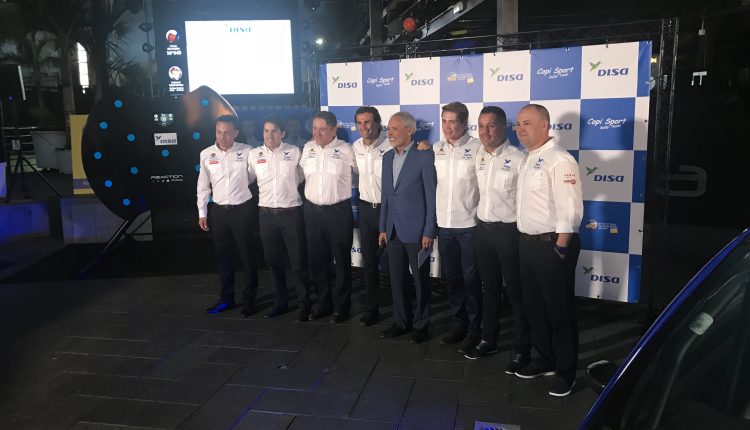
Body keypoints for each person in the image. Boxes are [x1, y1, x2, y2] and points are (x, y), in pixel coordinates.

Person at [513, 104, 583, 397]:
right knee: (534, 308)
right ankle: (545, 360)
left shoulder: (560, 159)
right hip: (527, 245)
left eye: (527, 123)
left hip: (553, 245)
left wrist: (560, 249)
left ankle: (566, 373)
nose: (520, 129)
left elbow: (571, 210)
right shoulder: (527, 158)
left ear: (545, 125)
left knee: (559, 311)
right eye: (518, 124)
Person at [464, 107, 530, 372]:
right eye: (481, 126)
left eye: (490, 126)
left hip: (509, 233)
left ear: (504, 127)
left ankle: (523, 349)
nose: (485, 132)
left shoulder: (519, 158)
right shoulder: (478, 154)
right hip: (483, 231)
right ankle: (488, 340)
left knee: (516, 292)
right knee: (489, 289)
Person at [378, 112, 437, 344]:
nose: (389, 133)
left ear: (409, 130)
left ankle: (421, 325)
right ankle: (401, 322)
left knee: (421, 281)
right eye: (388, 128)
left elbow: (431, 197)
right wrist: (383, 227)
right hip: (392, 230)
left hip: (418, 233)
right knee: (397, 280)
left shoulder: (424, 156)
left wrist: (429, 230)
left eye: (394, 128)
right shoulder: (386, 157)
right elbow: (386, 196)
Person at [247, 115, 313, 322]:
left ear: (282, 133)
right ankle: (281, 302)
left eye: (274, 131)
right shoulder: (253, 155)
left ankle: (305, 303)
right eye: (266, 131)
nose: (270, 135)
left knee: (298, 262)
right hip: (266, 215)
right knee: (273, 261)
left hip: (291, 214)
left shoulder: (295, 152)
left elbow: (303, 176)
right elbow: (248, 178)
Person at [431, 102, 483, 354]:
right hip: (444, 226)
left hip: (469, 226)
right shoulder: (435, 148)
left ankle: (475, 329)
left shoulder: (478, 148)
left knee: (472, 280)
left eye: (452, 121)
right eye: (444, 121)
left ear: (464, 123)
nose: (447, 127)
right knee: (451, 279)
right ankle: (459, 324)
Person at [197, 115, 259, 317]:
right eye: (219, 132)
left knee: (248, 257)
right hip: (218, 212)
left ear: (236, 133)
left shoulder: (247, 151)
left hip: (242, 210)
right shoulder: (206, 154)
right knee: (224, 258)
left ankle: (250, 300)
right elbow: (203, 185)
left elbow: (253, 177)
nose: (222, 137)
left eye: (227, 133)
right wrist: (202, 212)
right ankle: (226, 299)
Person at [300, 111, 358, 323]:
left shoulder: (346, 150)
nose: (317, 133)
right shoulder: (307, 148)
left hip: (338, 213)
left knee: (341, 262)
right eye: (315, 128)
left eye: (322, 129)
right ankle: (323, 304)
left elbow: (360, 175)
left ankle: (342, 306)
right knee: (318, 262)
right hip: (312, 212)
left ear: (334, 129)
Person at [352, 106, 391, 326]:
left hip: (389, 210)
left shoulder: (390, 144)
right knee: (369, 263)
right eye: (359, 123)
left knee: (397, 261)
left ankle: (403, 309)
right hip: (366, 209)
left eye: (367, 122)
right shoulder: (355, 147)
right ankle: (372, 308)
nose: (363, 127)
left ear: (377, 123)